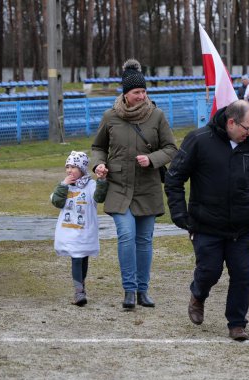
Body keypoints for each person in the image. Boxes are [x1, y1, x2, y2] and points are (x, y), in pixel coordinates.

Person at [164, 100, 249, 341]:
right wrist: (180, 215)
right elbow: (174, 179)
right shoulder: (198, 140)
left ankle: (237, 323)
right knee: (209, 271)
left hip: (243, 226)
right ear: (231, 122)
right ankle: (198, 294)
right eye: (247, 128)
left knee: (242, 274)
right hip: (206, 224)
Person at [92, 59, 178, 311]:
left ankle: (143, 290)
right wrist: (98, 165)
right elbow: (98, 147)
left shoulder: (157, 116)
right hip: (118, 186)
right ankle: (129, 290)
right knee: (126, 235)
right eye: (136, 92)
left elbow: (171, 148)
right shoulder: (110, 117)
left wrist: (152, 159)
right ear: (126, 94)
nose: (142, 96)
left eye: (144, 91)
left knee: (144, 240)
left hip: (147, 187)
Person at [51, 151, 108, 306]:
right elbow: (56, 202)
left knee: (83, 258)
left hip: (85, 230)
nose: (69, 170)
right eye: (67, 167)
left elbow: (99, 198)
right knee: (76, 257)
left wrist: (102, 181)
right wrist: (64, 185)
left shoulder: (90, 185)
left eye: (74, 167)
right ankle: (79, 292)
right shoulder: (64, 185)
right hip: (69, 231)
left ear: (82, 169)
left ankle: (81, 287)